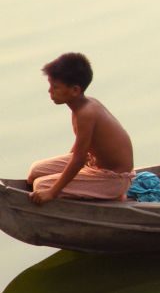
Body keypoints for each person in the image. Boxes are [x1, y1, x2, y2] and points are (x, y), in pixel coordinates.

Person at [27, 53, 135, 205]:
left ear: (75, 90)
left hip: (115, 179)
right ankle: (86, 188)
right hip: (92, 162)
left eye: (55, 87)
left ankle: (111, 196)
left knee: (41, 185)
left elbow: (78, 160)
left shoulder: (86, 113)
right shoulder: (80, 107)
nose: (50, 91)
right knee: (35, 171)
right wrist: (64, 172)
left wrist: (52, 192)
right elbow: (78, 152)